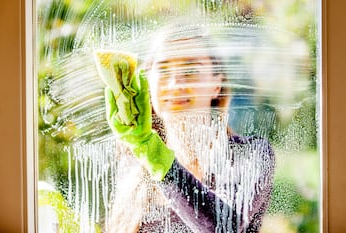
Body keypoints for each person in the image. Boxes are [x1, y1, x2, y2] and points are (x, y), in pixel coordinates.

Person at [100, 24, 275, 233]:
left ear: (216, 84)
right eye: (164, 70)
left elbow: (224, 227)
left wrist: (151, 151)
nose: (175, 84)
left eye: (191, 70)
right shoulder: (134, 164)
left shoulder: (250, 155)